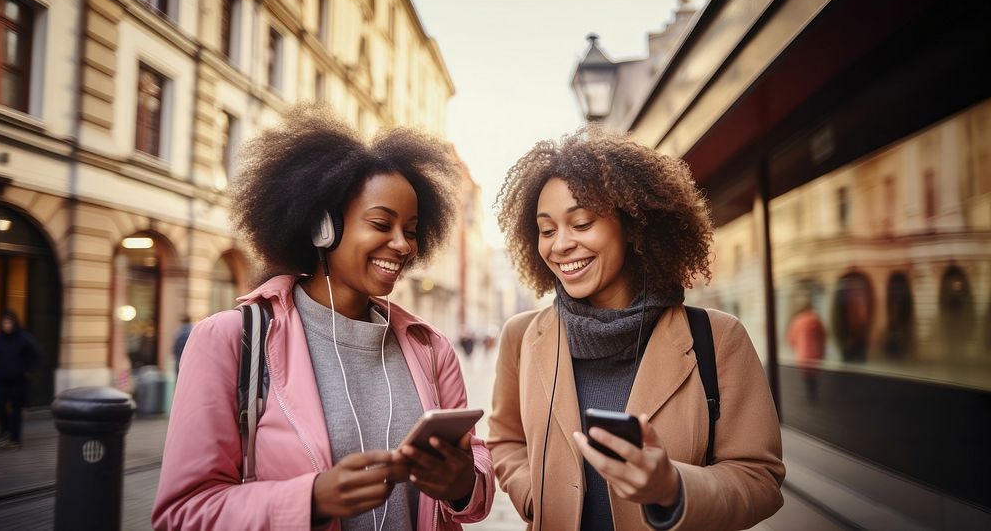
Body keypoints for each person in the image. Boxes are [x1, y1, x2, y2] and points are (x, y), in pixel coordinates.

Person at [152, 104, 494, 530]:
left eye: (410, 229)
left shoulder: (431, 348)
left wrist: (462, 482)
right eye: (381, 223)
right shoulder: (228, 339)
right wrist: (308, 500)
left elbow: (476, 488)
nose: (403, 245)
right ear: (324, 227)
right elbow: (181, 514)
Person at [489, 128, 784, 530]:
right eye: (547, 229)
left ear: (632, 225)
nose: (560, 245)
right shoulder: (521, 336)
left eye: (581, 222)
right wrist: (535, 495)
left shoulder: (718, 338)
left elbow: (760, 478)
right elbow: (506, 440)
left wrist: (673, 488)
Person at [0, 310, 41, 449]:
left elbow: (36, 354)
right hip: (1, 381)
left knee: (16, 411)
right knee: (0, 406)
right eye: (4, 322)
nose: (7, 325)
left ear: (14, 323)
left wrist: (29, 371)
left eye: (9, 322)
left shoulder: (24, 338)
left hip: (18, 381)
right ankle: (4, 433)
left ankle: (15, 439)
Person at [787, 300, 826, 402]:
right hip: (816, 353)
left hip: (803, 353)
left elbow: (791, 337)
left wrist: (796, 345)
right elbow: (824, 335)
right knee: (814, 375)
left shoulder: (797, 320)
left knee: (806, 374)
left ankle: (809, 393)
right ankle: (813, 392)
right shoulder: (816, 319)